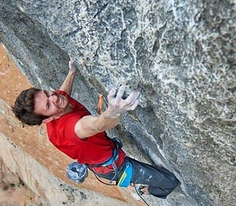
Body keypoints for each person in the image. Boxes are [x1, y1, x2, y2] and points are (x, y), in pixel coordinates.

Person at [12, 60, 180, 198]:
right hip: (116, 168)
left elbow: (62, 92)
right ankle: (147, 190)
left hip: (101, 159)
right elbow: (99, 124)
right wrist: (113, 111)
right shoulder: (73, 128)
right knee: (170, 182)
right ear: (47, 119)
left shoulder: (56, 104)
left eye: (47, 93)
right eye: (48, 104)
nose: (54, 97)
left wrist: (72, 72)